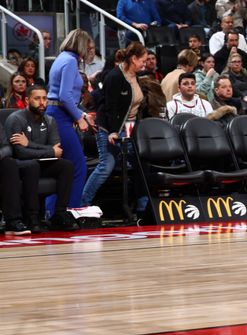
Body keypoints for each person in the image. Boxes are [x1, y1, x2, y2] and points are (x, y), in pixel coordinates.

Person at [81, 42, 147, 208]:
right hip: (110, 129)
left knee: (140, 165)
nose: (145, 64)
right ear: (133, 59)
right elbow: (110, 108)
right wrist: (113, 132)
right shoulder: (114, 77)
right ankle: (82, 204)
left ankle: (143, 207)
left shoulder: (135, 76)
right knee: (106, 166)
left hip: (129, 129)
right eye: (143, 61)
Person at [6, 85, 78, 231]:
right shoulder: (16, 119)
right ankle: (32, 216)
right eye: (37, 98)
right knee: (32, 165)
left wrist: (29, 144)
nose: (42, 102)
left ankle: (59, 213)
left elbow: (57, 151)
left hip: (41, 162)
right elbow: (20, 152)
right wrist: (49, 151)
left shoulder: (50, 120)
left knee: (66, 165)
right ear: (27, 100)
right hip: (20, 165)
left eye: (44, 98)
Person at [46, 30, 95, 211]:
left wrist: (80, 115)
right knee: (78, 165)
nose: (90, 51)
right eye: (88, 47)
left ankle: (52, 211)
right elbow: (64, 95)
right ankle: (71, 210)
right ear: (81, 45)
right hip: (60, 114)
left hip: (58, 112)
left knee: (62, 166)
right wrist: (78, 117)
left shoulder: (63, 58)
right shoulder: (70, 61)